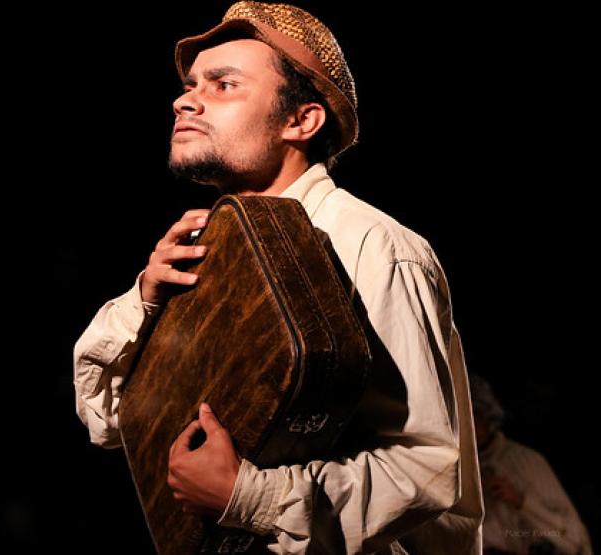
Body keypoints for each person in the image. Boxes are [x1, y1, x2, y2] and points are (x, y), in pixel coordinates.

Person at [73, 2, 484, 552]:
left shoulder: (371, 246)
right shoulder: (204, 248)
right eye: (191, 85)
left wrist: (248, 496)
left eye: (223, 85)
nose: (184, 100)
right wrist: (144, 301)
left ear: (301, 121)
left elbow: (425, 470)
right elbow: (110, 422)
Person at [470, 375, 593, 555]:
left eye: (472, 417)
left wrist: (521, 501)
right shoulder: (459, 468)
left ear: (485, 416)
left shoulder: (525, 460)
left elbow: (572, 538)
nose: (468, 427)